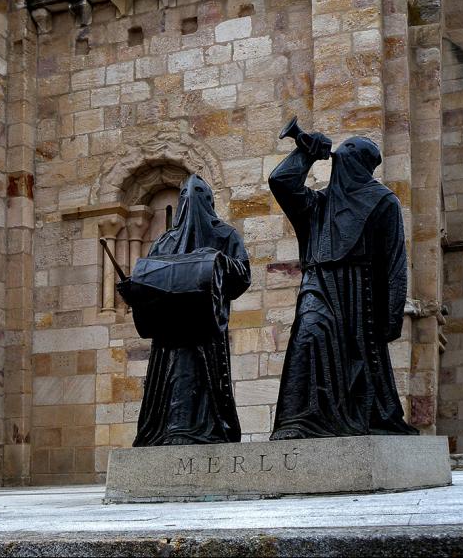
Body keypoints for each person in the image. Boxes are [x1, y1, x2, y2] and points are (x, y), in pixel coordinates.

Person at [268, 133, 417, 439]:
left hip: (359, 294)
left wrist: (391, 316)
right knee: (307, 336)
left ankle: (347, 421)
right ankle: (299, 422)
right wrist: (306, 154)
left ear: (361, 161)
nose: (341, 152)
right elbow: (281, 182)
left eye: (349, 148)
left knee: (356, 364)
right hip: (318, 284)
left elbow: (394, 263)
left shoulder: (383, 201)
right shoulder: (318, 204)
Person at [117, 174, 251, 446]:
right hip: (170, 332)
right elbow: (150, 281)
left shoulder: (224, 234)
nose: (191, 202)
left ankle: (203, 432)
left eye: (198, 196)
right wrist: (134, 290)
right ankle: (168, 431)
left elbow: (243, 273)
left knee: (201, 376)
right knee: (173, 375)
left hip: (206, 329)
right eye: (185, 197)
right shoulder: (165, 241)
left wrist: (218, 264)